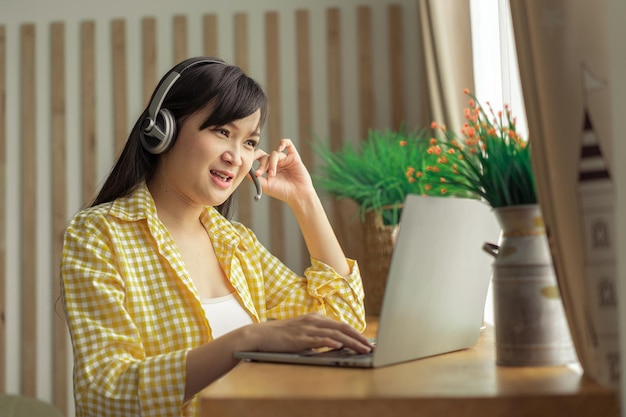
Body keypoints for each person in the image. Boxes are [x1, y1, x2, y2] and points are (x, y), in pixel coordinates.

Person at [60, 57, 372, 417]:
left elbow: (344, 324)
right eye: (222, 132)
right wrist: (247, 340)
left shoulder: (235, 242)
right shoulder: (98, 234)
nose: (236, 157)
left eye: (250, 142)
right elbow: (106, 393)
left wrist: (305, 199)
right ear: (163, 130)